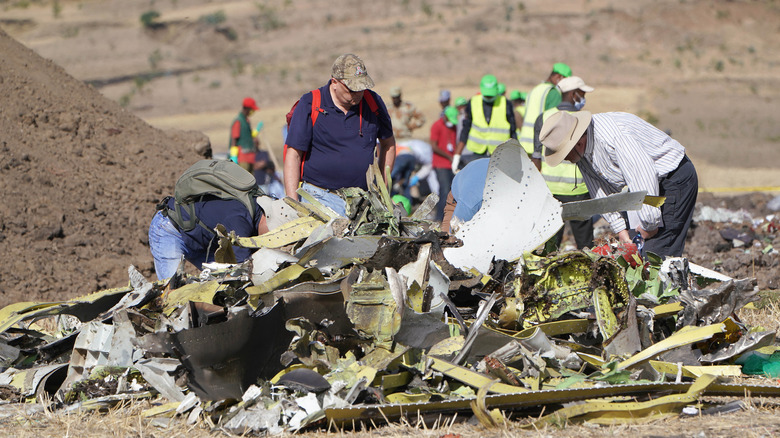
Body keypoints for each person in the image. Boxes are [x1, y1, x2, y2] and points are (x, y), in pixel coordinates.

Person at [540, 111, 699, 257]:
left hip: (672, 178)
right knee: (632, 252)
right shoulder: (581, 153)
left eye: (564, 154)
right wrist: (621, 230)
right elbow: (599, 189)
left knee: (655, 254)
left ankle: (667, 285)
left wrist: (649, 225)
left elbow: (642, 174)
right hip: (643, 190)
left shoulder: (614, 136)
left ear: (578, 144)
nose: (565, 160)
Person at [283, 54, 396, 216]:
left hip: (363, 201)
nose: (358, 93)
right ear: (334, 82)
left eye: (362, 87)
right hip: (319, 198)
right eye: (352, 89)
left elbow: (388, 144)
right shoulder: (310, 104)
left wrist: (383, 191)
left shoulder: (373, 102)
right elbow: (293, 155)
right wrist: (294, 205)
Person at [149, 171, 270, 281]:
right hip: (169, 229)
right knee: (173, 293)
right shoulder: (240, 220)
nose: (270, 240)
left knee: (221, 286)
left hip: (201, 239)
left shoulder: (255, 212)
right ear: (266, 218)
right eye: (271, 233)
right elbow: (239, 269)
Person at [532, 76, 596, 250]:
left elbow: (536, 156)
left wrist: (537, 190)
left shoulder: (544, 117)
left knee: (550, 246)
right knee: (586, 247)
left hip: (550, 191)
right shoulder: (583, 119)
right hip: (579, 189)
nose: (584, 98)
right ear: (574, 94)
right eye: (582, 94)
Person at [451, 74, 517, 172]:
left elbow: (513, 132)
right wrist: (457, 156)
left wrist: (515, 156)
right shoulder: (473, 102)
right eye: (486, 94)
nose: (489, 97)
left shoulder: (506, 104)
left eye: (491, 95)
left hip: (499, 155)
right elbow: (465, 130)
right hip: (477, 154)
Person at [519, 63, 572, 156]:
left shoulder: (535, 89)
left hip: (524, 143)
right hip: (538, 145)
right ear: (558, 77)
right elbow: (553, 120)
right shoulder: (553, 93)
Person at [441, 158, 490, 234]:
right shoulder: (470, 203)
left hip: (479, 168)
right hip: (461, 188)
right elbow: (455, 230)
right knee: (448, 237)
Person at [429, 106, 458, 220]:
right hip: (440, 164)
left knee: (452, 191)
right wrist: (448, 156)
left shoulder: (453, 126)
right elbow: (434, 146)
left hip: (451, 163)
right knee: (444, 190)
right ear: (445, 116)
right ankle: (439, 218)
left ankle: (449, 217)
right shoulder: (437, 126)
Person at [229, 97, 260, 171]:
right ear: (247, 108)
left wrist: (256, 131)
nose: (253, 111)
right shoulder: (238, 121)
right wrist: (233, 156)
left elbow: (247, 135)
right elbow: (234, 139)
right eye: (252, 109)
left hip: (251, 158)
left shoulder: (246, 121)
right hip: (242, 158)